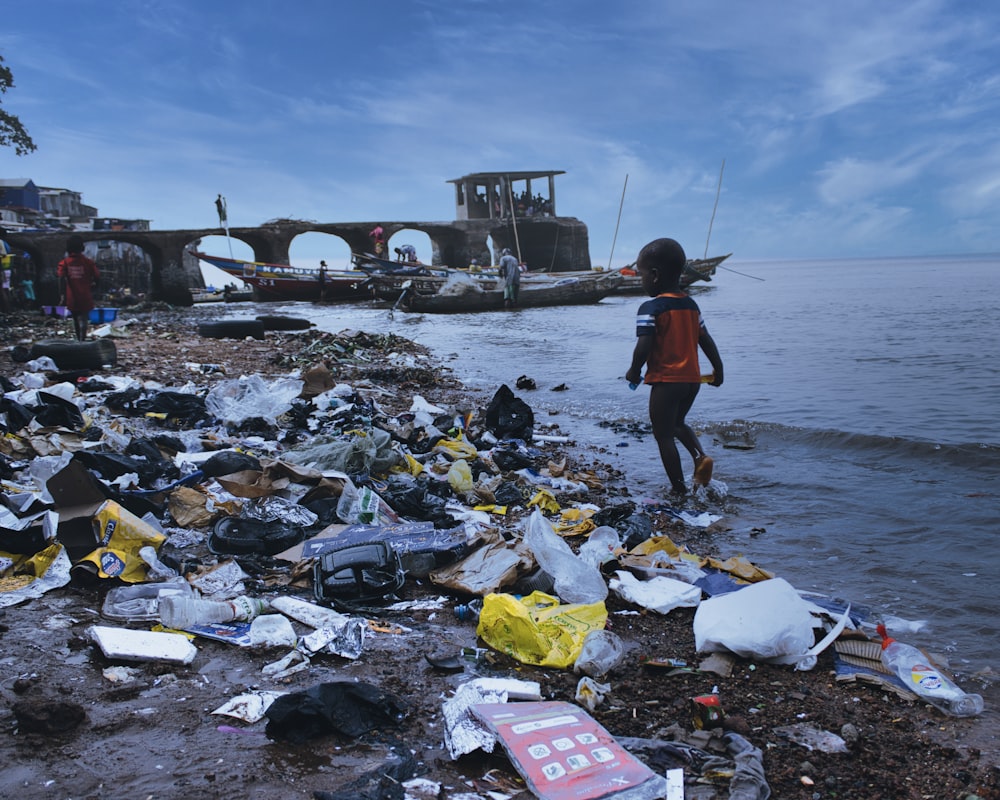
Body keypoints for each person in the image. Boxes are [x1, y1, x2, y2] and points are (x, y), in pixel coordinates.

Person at [625, 237, 724, 497]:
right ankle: (700, 456)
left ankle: (678, 489)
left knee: (663, 434)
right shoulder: (691, 305)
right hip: (692, 380)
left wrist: (634, 371)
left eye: (642, 274)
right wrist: (719, 369)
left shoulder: (651, 307)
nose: (641, 279)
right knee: (678, 422)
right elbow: (706, 339)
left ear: (655, 275)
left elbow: (644, 345)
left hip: (666, 381)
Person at [57, 234, 100, 341]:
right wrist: (94, 288)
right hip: (85, 294)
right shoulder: (88, 262)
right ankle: (83, 339)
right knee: (84, 319)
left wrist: (62, 295)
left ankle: (78, 339)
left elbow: (61, 278)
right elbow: (97, 277)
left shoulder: (65, 263)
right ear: (82, 248)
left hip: (71, 295)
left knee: (75, 318)